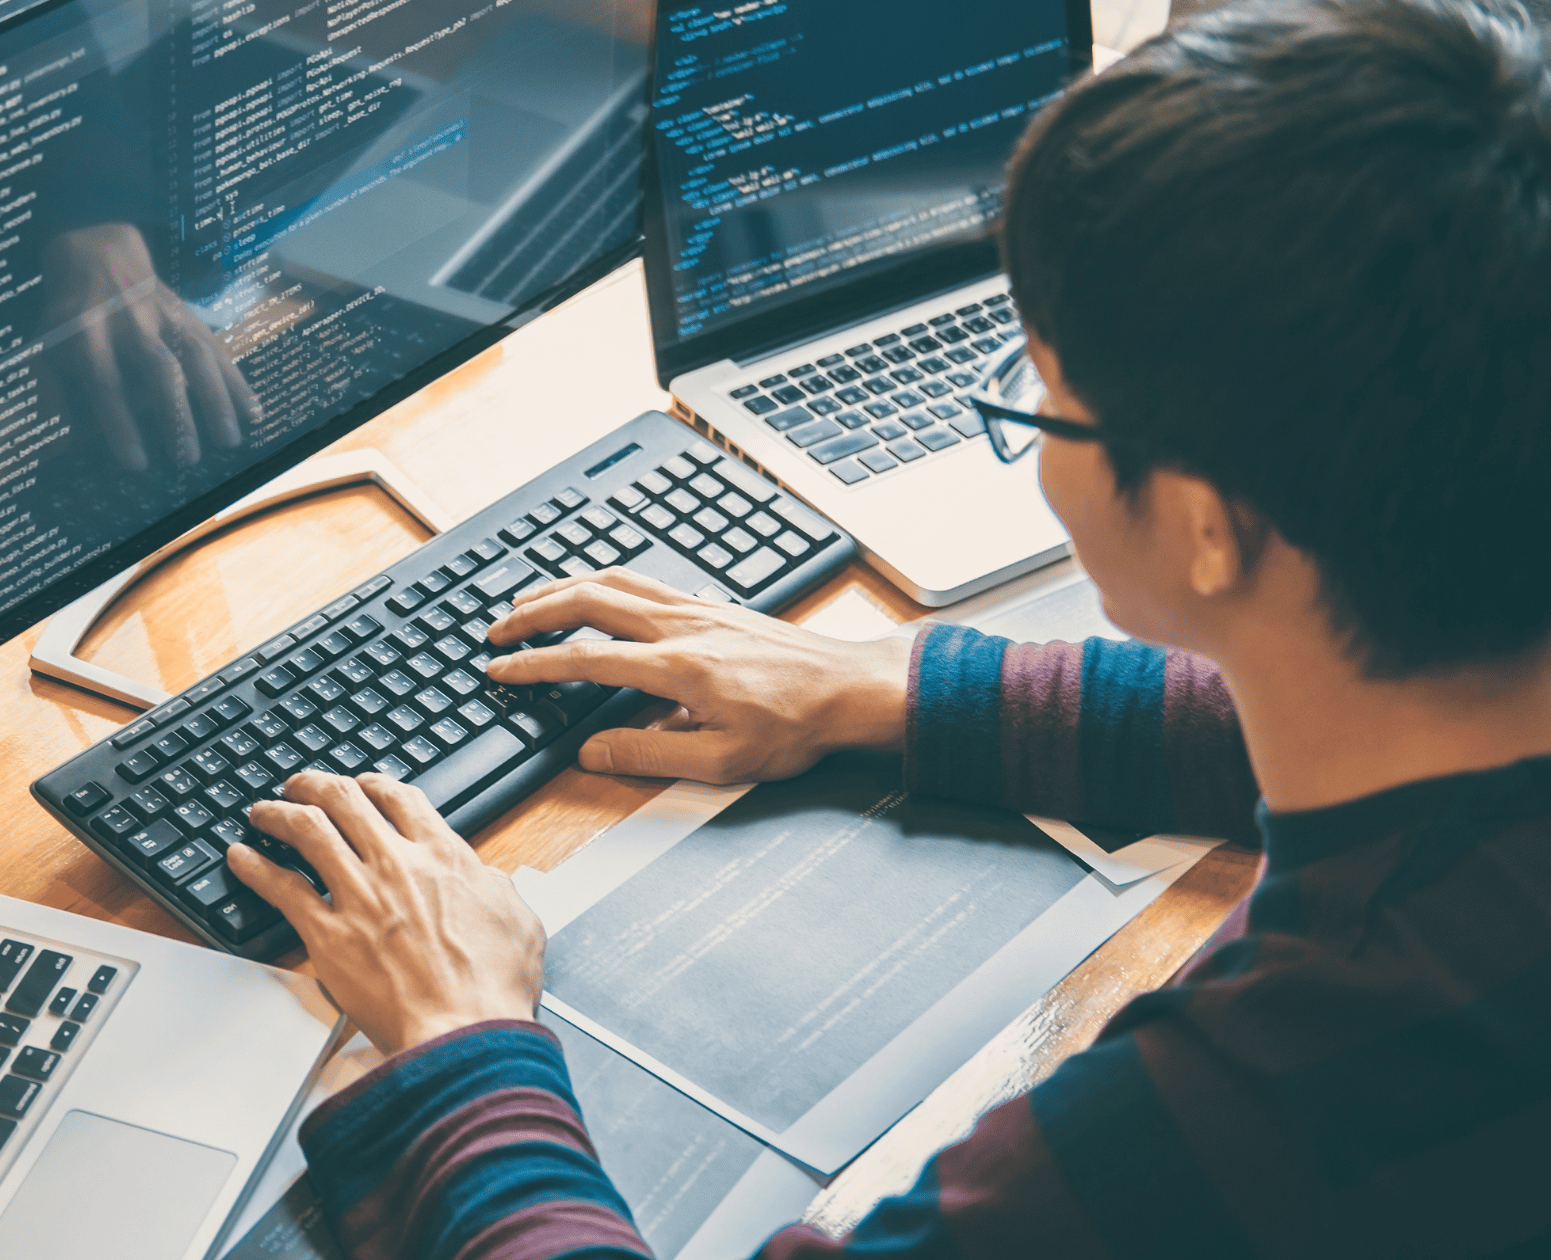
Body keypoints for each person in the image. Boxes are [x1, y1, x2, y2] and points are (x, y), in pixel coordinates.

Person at [218, 0, 1551, 1254]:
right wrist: (897, 686)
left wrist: (460, 1044)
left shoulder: (1241, 1108)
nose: (1032, 429)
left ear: (1210, 526)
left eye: (1045, 393)